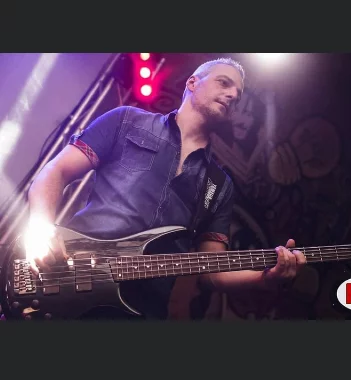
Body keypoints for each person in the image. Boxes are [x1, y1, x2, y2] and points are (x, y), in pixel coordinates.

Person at [25, 57, 306, 319]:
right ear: (193, 83)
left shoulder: (220, 185)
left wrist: (265, 278)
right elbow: (55, 172)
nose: (233, 95)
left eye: (238, 94)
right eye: (224, 83)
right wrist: (42, 230)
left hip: (139, 312)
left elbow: (212, 271)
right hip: (67, 276)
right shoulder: (126, 121)